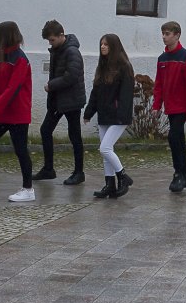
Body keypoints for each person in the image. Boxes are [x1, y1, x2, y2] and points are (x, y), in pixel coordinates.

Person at [33, 20, 86, 185]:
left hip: (71, 101)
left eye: (52, 40)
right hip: (58, 100)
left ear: (61, 35)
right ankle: (49, 169)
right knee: (45, 130)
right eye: (49, 40)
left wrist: (51, 85)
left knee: (74, 135)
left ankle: (79, 172)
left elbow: (71, 76)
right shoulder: (57, 50)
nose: (50, 43)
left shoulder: (72, 52)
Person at [83, 34, 135, 198]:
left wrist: (122, 115)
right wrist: (88, 112)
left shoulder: (124, 67)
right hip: (104, 116)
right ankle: (109, 184)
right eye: (101, 44)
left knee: (104, 148)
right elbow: (95, 92)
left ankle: (123, 176)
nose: (103, 47)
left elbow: (126, 95)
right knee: (106, 152)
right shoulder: (102, 67)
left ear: (114, 47)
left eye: (106, 44)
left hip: (118, 117)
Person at [0, 22, 34, 202]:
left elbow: (12, 89)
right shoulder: (1, 57)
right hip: (1, 114)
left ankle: (28, 189)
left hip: (17, 114)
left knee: (21, 150)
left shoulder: (20, 59)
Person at [151, 21, 186, 193]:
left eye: (168, 34)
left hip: (181, 107)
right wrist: (156, 105)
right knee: (178, 139)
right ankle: (184, 175)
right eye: (163, 33)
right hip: (170, 106)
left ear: (177, 35)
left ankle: (179, 173)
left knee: (173, 137)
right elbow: (159, 84)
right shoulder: (162, 59)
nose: (164, 37)